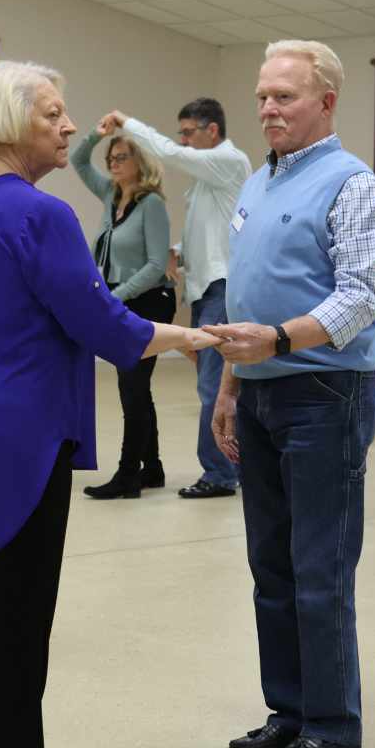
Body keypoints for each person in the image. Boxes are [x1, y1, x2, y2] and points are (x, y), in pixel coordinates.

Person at [0, 60, 219, 748]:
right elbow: (103, 325)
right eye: (53, 114)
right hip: (17, 431)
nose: (69, 127)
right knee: (14, 608)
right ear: (8, 124)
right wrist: (189, 335)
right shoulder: (41, 216)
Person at [206, 40, 375, 748]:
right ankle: (286, 709)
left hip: (323, 393)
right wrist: (228, 385)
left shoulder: (353, 186)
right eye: (262, 96)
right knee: (271, 564)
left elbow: (358, 299)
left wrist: (279, 341)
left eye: (284, 96)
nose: (268, 109)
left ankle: (332, 723)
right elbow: (244, 294)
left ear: (326, 101)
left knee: (319, 565)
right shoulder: (257, 183)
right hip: (257, 390)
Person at [100, 97, 253, 499]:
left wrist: (127, 121)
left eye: (188, 132)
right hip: (204, 289)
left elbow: (168, 152)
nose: (182, 140)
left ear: (212, 131)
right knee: (211, 383)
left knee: (212, 386)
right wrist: (179, 252)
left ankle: (220, 474)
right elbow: (214, 231)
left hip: (221, 286)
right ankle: (228, 467)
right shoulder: (209, 178)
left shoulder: (228, 161)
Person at [70, 125, 172, 499]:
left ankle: (129, 474)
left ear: (139, 161)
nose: (113, 163)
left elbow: (157, 264)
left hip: (150, 301)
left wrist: (116, 296)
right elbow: (77, 161)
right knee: (137, 388)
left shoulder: (152, 205)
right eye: (110, 158)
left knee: (132, 388)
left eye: (121, 157)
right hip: (122, 299)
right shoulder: (111, 195)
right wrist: (98, 135)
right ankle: (154, 468)